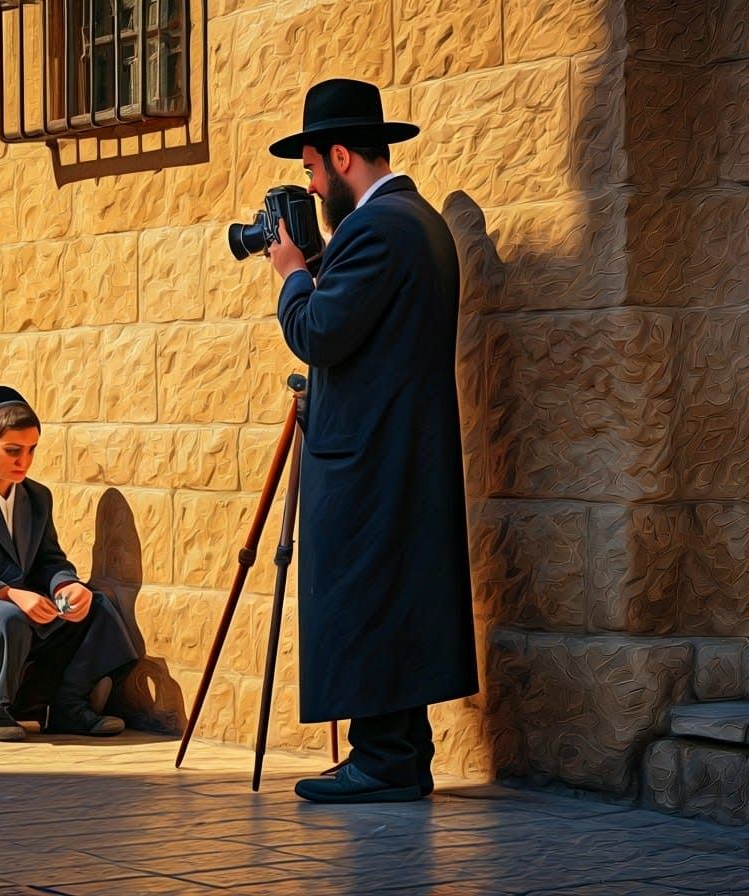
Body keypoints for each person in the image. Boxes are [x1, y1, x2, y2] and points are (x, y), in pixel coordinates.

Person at [263, 78, 478, 803]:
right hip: (397, 447)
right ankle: (396, 754)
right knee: (391, 594)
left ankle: (384, 760)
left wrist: (293, 275)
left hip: (373, 457)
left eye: (312, 169)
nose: (310, 186)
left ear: (341, 157)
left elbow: (318, 333)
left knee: (369, 596)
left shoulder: (377, 228)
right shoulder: (413, 221)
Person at [0, 386, 139, 741]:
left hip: (22, 606)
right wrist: (10, 594)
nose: (24, 461)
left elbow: (49, 560)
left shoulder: (37, 497)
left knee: (96, 605)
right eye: (13, 451)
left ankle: (68, 706)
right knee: (6, 616)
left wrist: (66, 585)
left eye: (31, 450)